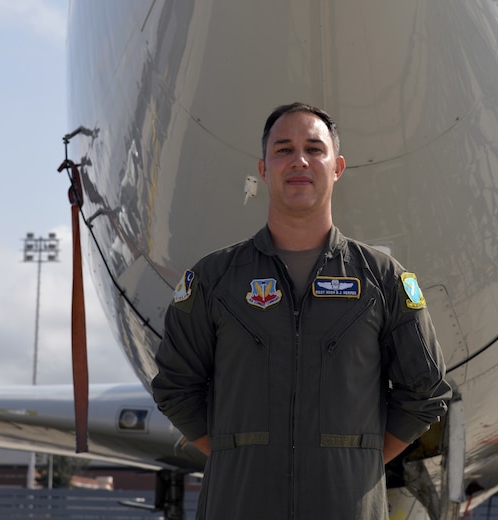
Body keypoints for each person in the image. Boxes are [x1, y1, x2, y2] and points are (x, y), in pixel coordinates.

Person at [152, 102, 451, 519]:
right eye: (284, 149)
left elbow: (425, 392)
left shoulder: (382, 280)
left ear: (337, 167)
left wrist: (354, 459)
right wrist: (238, 452)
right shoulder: (214, 280)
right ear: (263, 168)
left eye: (314, 148)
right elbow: (175, 387)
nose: (299, 160)